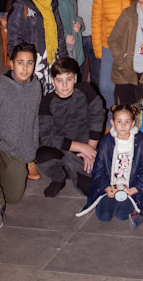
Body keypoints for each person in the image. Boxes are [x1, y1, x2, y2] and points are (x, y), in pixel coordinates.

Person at [0, 43, 42, 229]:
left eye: (30, 63)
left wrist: (31, 152)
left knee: (14, 197)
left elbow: (33, 120)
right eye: (20, 62)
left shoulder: (36, 87)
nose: (25, 68)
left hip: (17, 151)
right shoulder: (1, 87)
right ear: (11, 64)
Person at [35, 57, 105, 198]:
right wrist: (81, 147)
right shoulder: (46, 102)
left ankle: (74, 168)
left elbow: (98, 117)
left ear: (75, 78)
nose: (65, 85)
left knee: (91, 191)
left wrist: (90, 148)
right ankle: (59, 178)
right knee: (43, 157)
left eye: (69, 79)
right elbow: (48, 136)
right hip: (63, 147)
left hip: (88, 144)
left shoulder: (86, 90)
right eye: (59, 80)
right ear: (53, 81)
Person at [83, 103, 143, 222]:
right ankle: (107, 199)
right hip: (110, 186)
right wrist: (105, 187)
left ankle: (127, 201)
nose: (123, 125)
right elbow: (98, 168)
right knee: (104, 216)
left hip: (131, 188)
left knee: (122, 215)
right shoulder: (107, 141)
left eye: (127, 122)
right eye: (119, 121)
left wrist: (137, 188)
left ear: (132, 123)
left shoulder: (139, 141)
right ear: (112, 123)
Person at [7, 0, 67, 94]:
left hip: (51, 61)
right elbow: (13, 39)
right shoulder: (21, 4)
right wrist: (21, 67)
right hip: (32, 64)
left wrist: (64, 60)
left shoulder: (51, 2)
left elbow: (59, 33)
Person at [91, 0, 132, 109]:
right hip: (108, 46)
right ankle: (110, 118)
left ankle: (129, 118)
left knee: (128, 88)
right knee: (105, 87)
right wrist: (98, 51)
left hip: (129, 46)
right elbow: (96, 21)